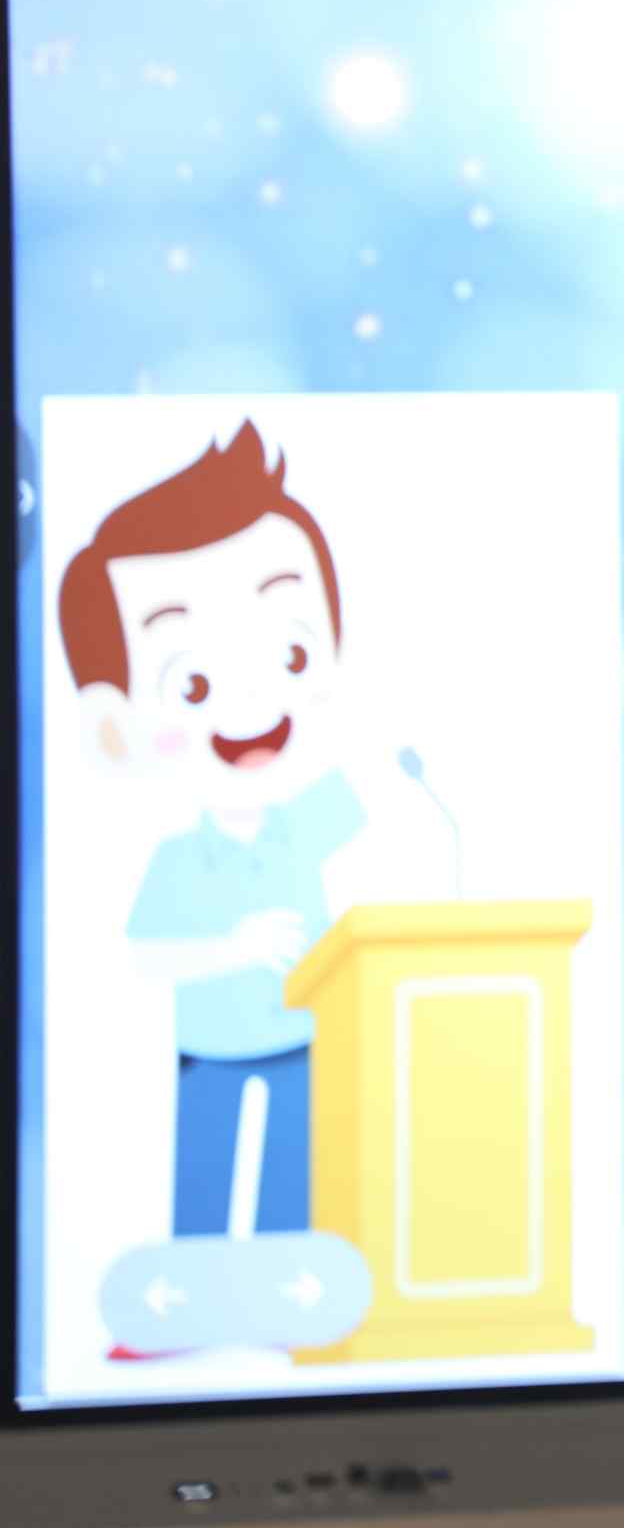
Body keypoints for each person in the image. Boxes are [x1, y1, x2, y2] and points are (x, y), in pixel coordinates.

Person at [59, 420, 448, 1256]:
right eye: (193, 683)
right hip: (209, 1053)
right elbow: (142, 958)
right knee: (207, 1184)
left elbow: (381, 795)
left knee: (290, 1188)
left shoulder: (303, 822)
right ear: (117, 725)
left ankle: (287, 1283)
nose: (247, 701)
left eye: (290, 656)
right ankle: (196, 1284)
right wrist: (232, 948)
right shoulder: (178, 858)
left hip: (304, 1043)